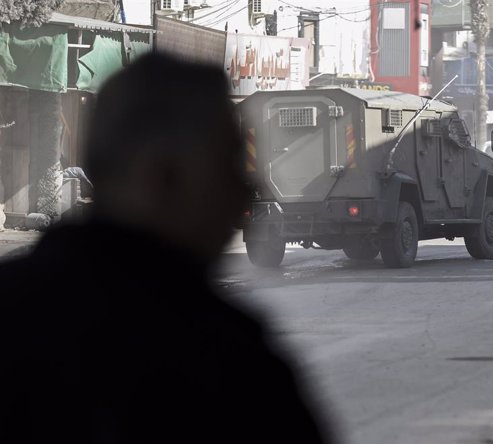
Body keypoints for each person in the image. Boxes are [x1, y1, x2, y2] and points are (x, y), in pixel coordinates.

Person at [0, 53, 331, 443]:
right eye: (229, 165)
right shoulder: (224, 359)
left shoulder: (14, 306)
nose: (246, 188)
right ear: (160, 176)